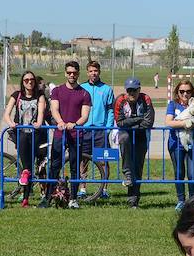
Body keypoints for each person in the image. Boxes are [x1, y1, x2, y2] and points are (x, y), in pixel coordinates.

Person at [48, 61, 91, 209]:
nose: (72, 75)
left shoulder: (85, 93)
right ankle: (49, 196)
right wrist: (60, 122)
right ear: (65, 73)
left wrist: (76, 124)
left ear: (78, 73)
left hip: (76, 134)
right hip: (60, 134)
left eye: (74, 72)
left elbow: (85, 115)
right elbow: (54, 109)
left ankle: (73, 199)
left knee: (74, 167)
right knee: (54, 166)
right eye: (69, 72)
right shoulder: (57, 91)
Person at [3, 70, 47, 207]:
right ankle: (25, 198)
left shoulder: (40, 96)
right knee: (27, 168)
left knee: (37, 166)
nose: (29, 82)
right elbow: (7, 113)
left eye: (32, 80)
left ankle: (43, 195)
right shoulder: (17, 95)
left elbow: (41, 112)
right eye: (26, 80)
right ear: (22, 82)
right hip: (21, 134)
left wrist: (39, 123)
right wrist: (11, 124)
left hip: (36, 135)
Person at [113, 78, 155, 209]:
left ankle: (134, 200)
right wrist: (138, 120)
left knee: (138, 168)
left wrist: (131, 122)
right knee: (124, 139)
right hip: (125, 134)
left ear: (139, 90)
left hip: (141, 136)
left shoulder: (146, 99)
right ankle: (127, 173)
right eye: (129, 90)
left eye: (134, 90)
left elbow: (148, 122)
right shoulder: (120, 100)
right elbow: (120, 122)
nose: (132, 93)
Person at [78, 60, 114, 199]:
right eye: (91, 71)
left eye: (96, 71)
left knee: (103, 161)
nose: (93, 73)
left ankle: (104, 189)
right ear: (87, 73)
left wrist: (108, 128)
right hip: (85, 130)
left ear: (99, 72)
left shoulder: (106, 89)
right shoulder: (81, 88)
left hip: (101, 131)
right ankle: (82, 189)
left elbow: (110, 110)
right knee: (83, 160)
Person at [165, 79, 194, 210]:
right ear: (177, 92)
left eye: (188, 91)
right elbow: (169, 122)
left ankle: (192, 200)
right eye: (182, 91)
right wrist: (185, 123)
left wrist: (182, 122)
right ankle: (181, 200)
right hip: (176, 144)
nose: (185, 94)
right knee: (179, 173)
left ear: (192, 92)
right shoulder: (173, 104)